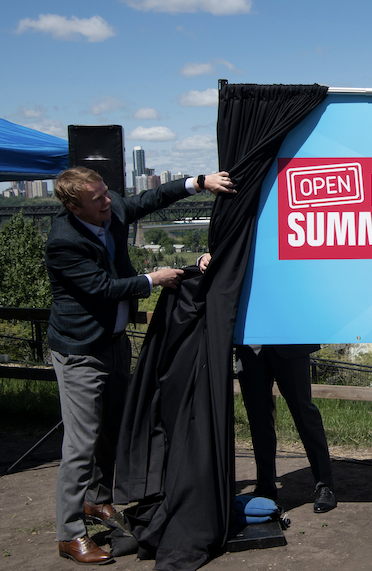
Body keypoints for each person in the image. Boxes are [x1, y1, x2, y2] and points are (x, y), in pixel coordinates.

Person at [47, 167, 234, 565]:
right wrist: (153, 278)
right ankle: (69, 534)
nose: (108, 201)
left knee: (110, 431)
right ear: (73, 205)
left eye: (105, 193)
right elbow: (102, 288)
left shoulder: (108, 208)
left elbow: (150, 200)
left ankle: (97, 502)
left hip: (112, 345)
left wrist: (199, 183)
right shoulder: (63, 243)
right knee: (80, 443)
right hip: (80, 351)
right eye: (97, 199)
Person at [198, 254, 337, 514]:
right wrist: (203, 259)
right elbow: (223, 257)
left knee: (304, 412)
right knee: (258, 417)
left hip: (289, 336)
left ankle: (324, 484)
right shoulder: (240, 225)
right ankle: (265, 486)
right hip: (249, 341)